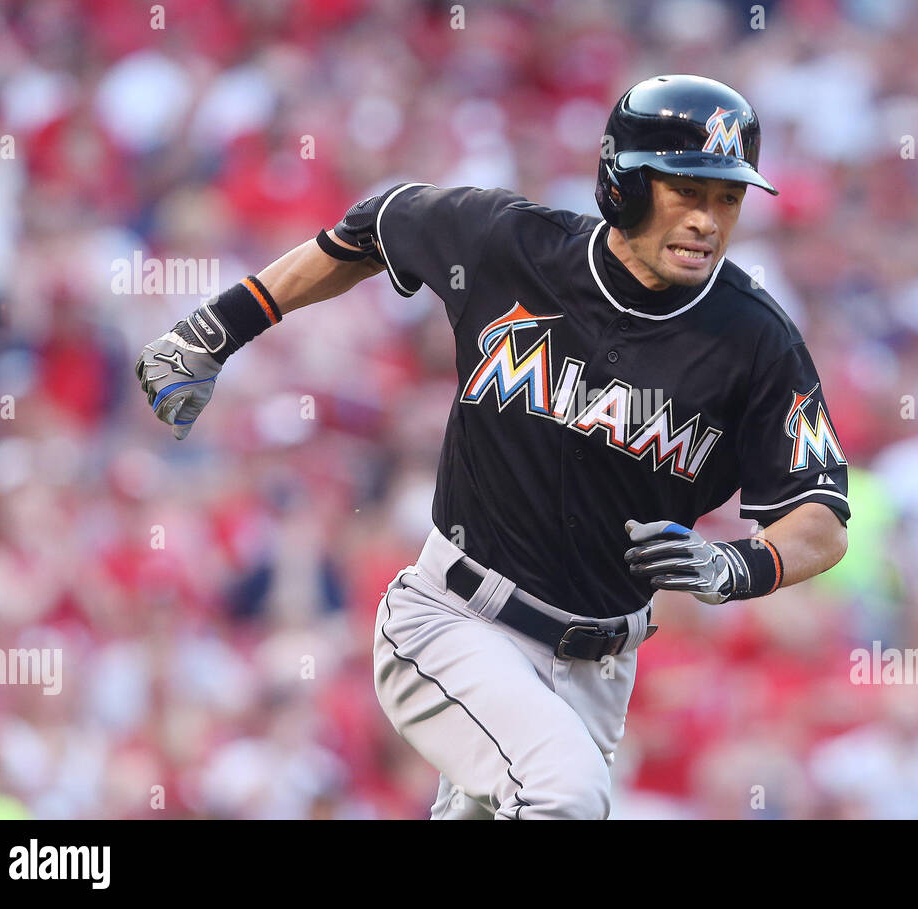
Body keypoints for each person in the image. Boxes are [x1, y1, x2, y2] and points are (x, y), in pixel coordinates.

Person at [135, 74, 851, 819]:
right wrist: (219, 328)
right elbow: (373, 226)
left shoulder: (755, 342)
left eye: (726, 199)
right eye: (688, 192)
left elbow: (822, 518)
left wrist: (739, 564)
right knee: (564, 795)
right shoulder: (511, 245)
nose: (709, 220)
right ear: (624, 183)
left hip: (600, 672)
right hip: (455, 620)